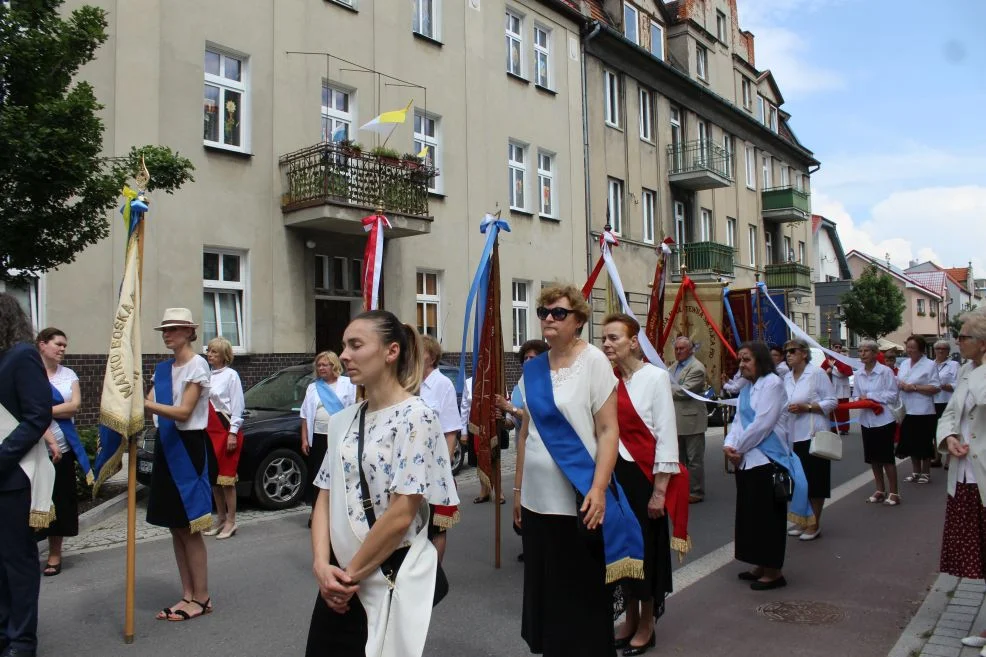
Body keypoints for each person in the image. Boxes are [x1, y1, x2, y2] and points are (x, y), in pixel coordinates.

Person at [305, 310, 457, 657]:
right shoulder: (345, 419)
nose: (344, 355)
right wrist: (320, 565)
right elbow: (325, 495)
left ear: (391, 352)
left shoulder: (416, 417)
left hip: (378, 574)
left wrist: (350, 576)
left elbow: (403, 512)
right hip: (338, 576)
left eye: (356, 345)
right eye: (344, 346)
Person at [513, 284, 641, 657]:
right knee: (547, 594)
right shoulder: (534, 369)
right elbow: (526, 433)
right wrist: (518, 493)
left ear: (579, 320)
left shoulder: (594, 362)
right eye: (543, 312)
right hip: (538, 503)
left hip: (578, 497)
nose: (548, 319)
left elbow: (607, 430)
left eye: (558, 313)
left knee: (580, 595)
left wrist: (599, 488)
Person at [602, 314, 678, 657]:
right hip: (615, 476)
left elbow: (665, 436)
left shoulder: (655, 378)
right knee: (623, 549)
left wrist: (660, 491)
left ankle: (648, 623)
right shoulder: (607, 380)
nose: (606, 344)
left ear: (633, 341)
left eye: (613, 338)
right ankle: (630, 617)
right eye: (604, 338)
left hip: (644, 477)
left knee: (645, 551)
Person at [143, 308, 214, 622]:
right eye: (164, 329)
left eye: (172, 329)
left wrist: (142, 403)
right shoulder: (162, 369)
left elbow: (184, 412)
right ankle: (187, 594)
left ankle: (202, 597)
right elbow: (152, 407)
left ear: (189, 331)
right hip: (166, 444)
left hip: (187, 446)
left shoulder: (198, 365)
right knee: (175, 526)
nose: (167, 334)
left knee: (189, 528)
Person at [725, 341, 810, 591]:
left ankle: (774, 571)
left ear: (760, 361)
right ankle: (759, 563)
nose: (742, 365)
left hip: (766, 461)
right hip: (746, 462)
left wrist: (737, 449)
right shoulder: (747, 388)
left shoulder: (773, 384)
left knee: (767, 519)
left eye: (747, 359)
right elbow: (738, 421)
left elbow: (762, 424)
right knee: (750, 517)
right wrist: (729, 446)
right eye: (740, 360)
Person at [0, 293, 53, 657]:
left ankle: (21, 641)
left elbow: (37, 416)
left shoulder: (22, 357)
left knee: (16, 564)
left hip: (12, 477)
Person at [935, 312, 986, 653]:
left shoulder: (976, 374)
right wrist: (950, 436)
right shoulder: (967, 370)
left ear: (983, 342)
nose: (958, 342)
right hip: (966, 475)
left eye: (964, 336)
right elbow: (950, 413)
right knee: (981, 556)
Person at [35, 328, 90, 577]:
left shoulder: (69, 374)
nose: (62, 349)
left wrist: (41, 411)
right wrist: (54, 409)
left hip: (63, 449)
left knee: (61, 500)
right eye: (58, 344)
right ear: (42, 344)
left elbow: (75, 407)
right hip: (33, 450)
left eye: (65, 345)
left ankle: (54, 553)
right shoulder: (30, 373)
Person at [781, 339, 837, 541]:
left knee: (815, 480)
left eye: (792, 351)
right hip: (793, 435)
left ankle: (814, 524)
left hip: (813, 434)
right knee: (799, 481)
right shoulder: (787, 377)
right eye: (786, 352)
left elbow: (832, 401)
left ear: (804, 354)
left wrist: (809, 407)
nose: (788, 355)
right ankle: (802, 519)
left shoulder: (816, 374)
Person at [418, 335, 464, 559]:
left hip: (433, 465)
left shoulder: (442, 384)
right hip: (411, 464)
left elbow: (451, 429)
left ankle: (435, 574)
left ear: (432, 357)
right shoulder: (408, 382)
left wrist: (442, 469)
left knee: (436, 527)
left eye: (420, 351)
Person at [300, 351, 356, 512]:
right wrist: (304, 439)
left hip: (340, 437)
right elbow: (304, 414)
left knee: (338, 475)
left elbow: (354, 407)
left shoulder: (348, 384)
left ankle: (337, 512)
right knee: (317, 475)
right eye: (319, 365)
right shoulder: (312, 387)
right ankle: (316, 511)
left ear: (334, 365)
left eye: (325, 364)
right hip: (318, 438)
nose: (321, 368)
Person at [201, 337, 245, 540]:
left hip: (225, 427)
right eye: (209, 351)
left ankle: (231, 521)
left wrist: (233, 433)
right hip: (209, 429)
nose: (209, 354)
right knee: (214, 481)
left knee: (227, 480)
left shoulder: (231, 376)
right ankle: (220, 518)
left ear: (224, 355)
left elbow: (237, 406)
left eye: (214, 352)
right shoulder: (206, 375)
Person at [853, 339, 901, 506]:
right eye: (860, 351)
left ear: (875, 353)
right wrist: (860, 400)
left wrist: (872, 397)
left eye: (866, 351)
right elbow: (856, 395)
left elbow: (893, 395)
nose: (862, 354)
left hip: (883, 420)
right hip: (867, 420)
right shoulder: (858, 373)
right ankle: (880, 489)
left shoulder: (885, 372)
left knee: (886, 458)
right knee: (873, 458)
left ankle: (894, 492)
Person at [895, 335, 941, 484]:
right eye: (908, 347)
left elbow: (935, 387)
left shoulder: (929, 364)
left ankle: (926, 472)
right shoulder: (904, 364)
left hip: (924, 410)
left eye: (913, 348)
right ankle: (915, 471)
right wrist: (900, 385)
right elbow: (898, 380)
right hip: (907, 409)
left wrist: (914, 387)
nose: (910, 351)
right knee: (910, 442)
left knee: (924, 442)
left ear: (921, 349)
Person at [670, 336, 708, 503]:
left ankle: (696, 491)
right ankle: (682, 488)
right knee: (679, 458)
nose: (678, 352)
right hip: (676, 420)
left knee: (694, 459)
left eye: (682, 349)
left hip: (692, 421)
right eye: (676, 348)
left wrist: (662, 388)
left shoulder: (697, 368)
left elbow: (683, 392)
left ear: (691, 350)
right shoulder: (673, 366)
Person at [931, 340, 959, 468]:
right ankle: (937, 457)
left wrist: (945, 386)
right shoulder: (930, 365)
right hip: (932, 401)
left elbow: (958, 384)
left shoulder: (954, 365)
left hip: (947, 401)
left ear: (948, 351)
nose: (940, 351)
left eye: (944, 348)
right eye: (938, 348)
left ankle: (949, 459)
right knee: (935, 430)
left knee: (948, 430)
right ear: (934, 350)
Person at [821, 342, 853, 435]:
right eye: (836, 347)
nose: (838, 349)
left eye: (839, 347)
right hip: (832, 387)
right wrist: (827, 372)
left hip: (842, 388)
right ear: (833, 348)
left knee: (843, 410)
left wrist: (833, 368)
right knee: (833, 409)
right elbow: (822, 372)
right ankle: (833, 427)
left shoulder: (844, 360)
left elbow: (844, 373)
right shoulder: (827, 360)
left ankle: (844, 428)